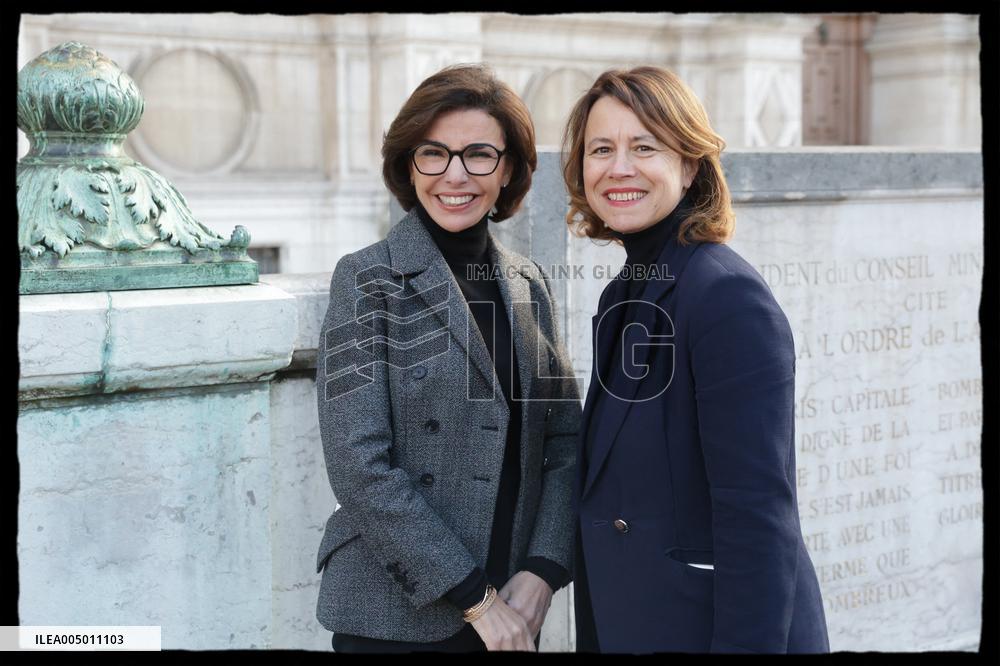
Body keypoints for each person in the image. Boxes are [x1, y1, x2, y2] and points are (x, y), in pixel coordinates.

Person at [562, 66, 830, 653]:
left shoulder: (724, 295)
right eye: (601, 149)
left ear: (689, 166)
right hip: (634, 622)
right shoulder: (624, 293)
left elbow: (757, 516)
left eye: (644, 147)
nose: (619, 168)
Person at [315, 64, 581, 653]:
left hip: (514, 609)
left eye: (479, 155)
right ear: (409, 166)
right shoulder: (365, 279)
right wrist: (472, 597)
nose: (455, 175)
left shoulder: (528, 283)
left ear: (508, 169)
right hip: (396, 614)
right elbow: (358, 464)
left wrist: (544, 568)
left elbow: (564, 441)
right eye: (434, 153)